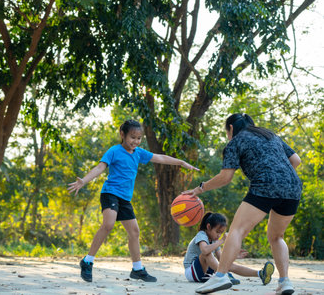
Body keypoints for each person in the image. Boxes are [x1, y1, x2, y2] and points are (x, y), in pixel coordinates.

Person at [183, 113, 301, 295]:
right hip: (293, 186)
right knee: (277, 237)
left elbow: (225, 177)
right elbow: (296, 160)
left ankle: (220, 276)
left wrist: (200, 188)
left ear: (231, 128)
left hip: (265, 184)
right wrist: (280, 179)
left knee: (237, 231)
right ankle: (285, 282)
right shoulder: (270, 135)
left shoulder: (236, 141)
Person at [68, 119, 199, 283]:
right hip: (110, 193)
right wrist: (84, 181)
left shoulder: (138, 153)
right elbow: (100, 167)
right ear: (122, 135)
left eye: (139, 138)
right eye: (132, 137)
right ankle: (87, 261)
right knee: (108, 224)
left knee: (134, 232)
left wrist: (180, 162)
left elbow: (160, 158)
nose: (135, 141)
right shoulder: (114, 151)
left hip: (124, 199)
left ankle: (137, 269)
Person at [184, 212, 274, 286]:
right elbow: (204, 250)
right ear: (208, 227)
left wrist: (233, 255)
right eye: (217, 232)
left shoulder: (215, 241)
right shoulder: (202, 234)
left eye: (221, 233)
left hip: (205, 272)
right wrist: (222, 240)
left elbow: (221, 259)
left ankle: (260, 274)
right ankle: (224, 276)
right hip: (191, 272)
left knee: (226, 264)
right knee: (207, 254)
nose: (219, 235)